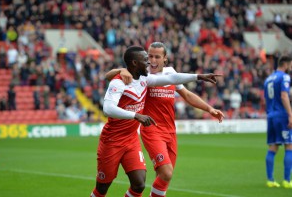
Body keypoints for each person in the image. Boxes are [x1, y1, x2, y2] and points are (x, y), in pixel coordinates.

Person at [90, 45, 222, 197]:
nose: (150, 61)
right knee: (102, 189)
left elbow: (173, 80)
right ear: (135, 63)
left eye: (155, 57)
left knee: (141, 184)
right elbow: (107, 107)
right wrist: (136, 115)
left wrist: (198, 77)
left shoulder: (146, 78)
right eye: (147, 58)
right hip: (121, 137)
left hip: (138, 137)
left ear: (165, 58)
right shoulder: (122, 81)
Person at [264, 55, 292, 189]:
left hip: (271, 115)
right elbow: (284, 95)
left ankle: (270, 180)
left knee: (273, 147)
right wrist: (290, 114)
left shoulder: (268, 79)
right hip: (281, 115)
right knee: (289, 145)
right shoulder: (285, 77)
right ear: (286, 64)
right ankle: (287, 181)